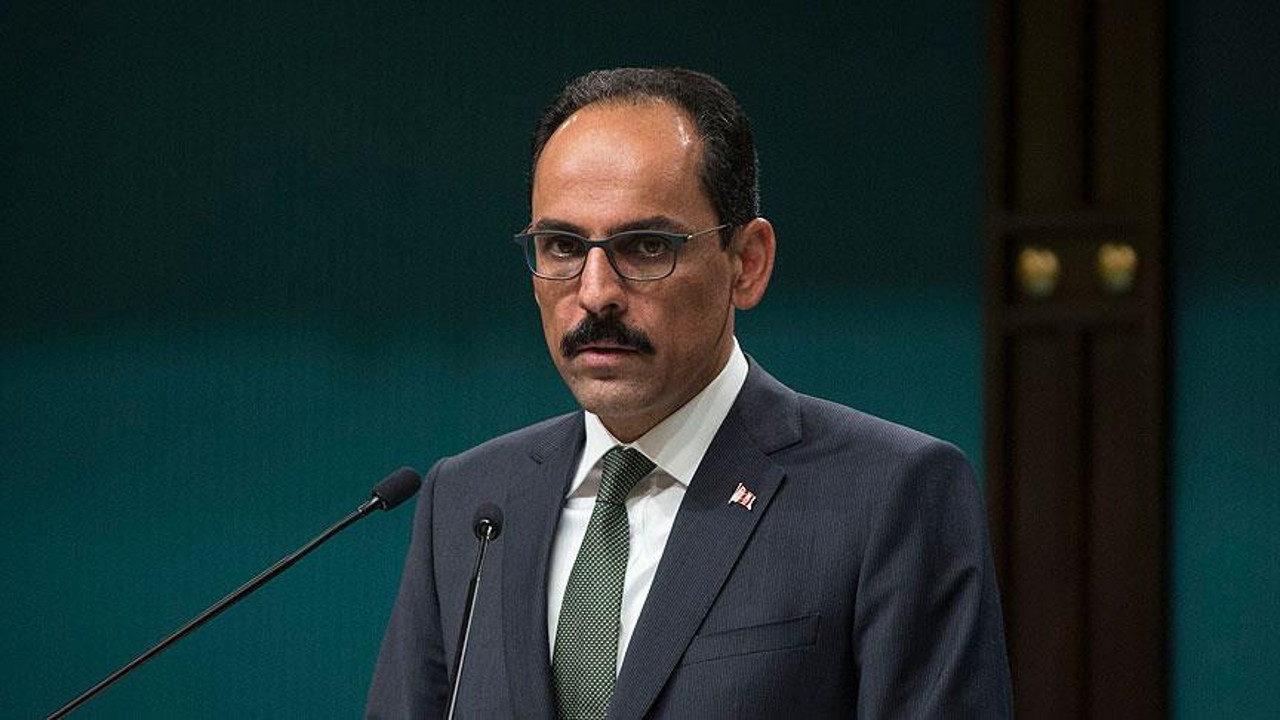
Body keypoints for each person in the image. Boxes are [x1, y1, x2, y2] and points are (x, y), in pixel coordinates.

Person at [366, 67, 1012, 719]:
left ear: (747, 262)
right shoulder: (468, 502)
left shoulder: (890, 495)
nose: (595, 293)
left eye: (647, 247)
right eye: (562, 246)